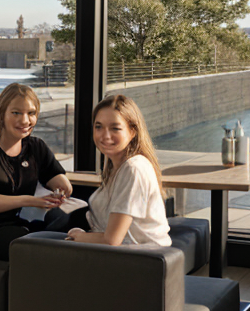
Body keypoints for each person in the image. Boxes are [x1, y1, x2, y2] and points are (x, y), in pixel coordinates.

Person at [0, 83, 76, 261]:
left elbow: (59, 181)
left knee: (72, 228)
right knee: (31, 247)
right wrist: (31, 201)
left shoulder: (36, 147)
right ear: (1, 115)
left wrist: (62, 190)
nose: (25, 121)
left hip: (32, 223)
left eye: (31, 113)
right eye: (16, 113)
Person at [66, 94, 171, 248]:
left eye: (115, 128)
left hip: (139, 256)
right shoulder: (115, 166)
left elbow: (112, 240)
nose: (105, 136)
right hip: (124, 252)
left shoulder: (133, 169)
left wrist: (79, 236)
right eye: (99, 127)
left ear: (132, 131)